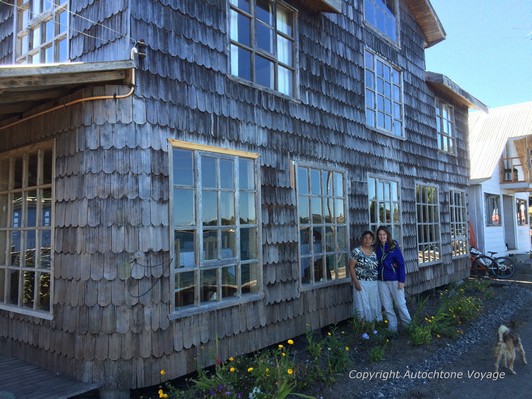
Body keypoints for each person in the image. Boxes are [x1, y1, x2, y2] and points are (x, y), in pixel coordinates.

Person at [375, 226, 411, 335]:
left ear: (387, 235)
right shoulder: (376, 247)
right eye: (380, 235)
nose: (382, 237)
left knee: (400, 304)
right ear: (378, 236)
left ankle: (409, 326)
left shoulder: (393, 246)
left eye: (384, 235)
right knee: (387, 305)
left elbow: (400, 264)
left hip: (395, 280)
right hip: (382, 281)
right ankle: (393, 328)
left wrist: (402, 281)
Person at [348, 230, 382, 340]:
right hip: (361, 282)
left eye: (370, 238)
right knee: (362, 306)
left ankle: (372, 328)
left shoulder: (374, 251)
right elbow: (351, 267)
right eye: (365, 238)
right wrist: (356, 282)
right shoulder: (356, 251)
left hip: (373, 283)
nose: (367, 240)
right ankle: (363, 330)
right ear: (362, 239)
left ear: (372, 241)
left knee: (373, 304)